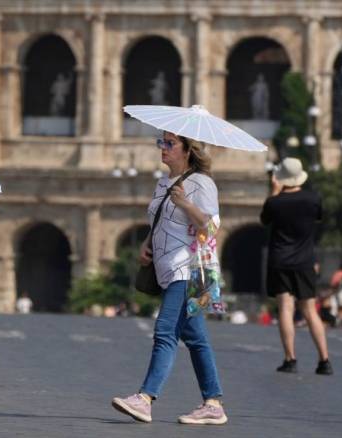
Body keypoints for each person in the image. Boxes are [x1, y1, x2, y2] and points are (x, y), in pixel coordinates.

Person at [112, 132, 227, 425]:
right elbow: (160, 220)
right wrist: (147, 243)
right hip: (167, 268)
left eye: (170, 143)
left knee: (165, 332)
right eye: (160, 143)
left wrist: (187, 204)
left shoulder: (202, 183)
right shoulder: (163, 183)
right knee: (195, 337)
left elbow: (211, 228)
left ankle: (145, 398)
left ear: (187, 150)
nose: (162, 148)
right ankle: (213, 403)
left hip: (191, 269)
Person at [260, 157, 333, 375]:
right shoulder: (313, 199)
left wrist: (275, 192)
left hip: (280, 260)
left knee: (285, 307)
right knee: (310, 311)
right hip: (305, 261)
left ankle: (290, 359)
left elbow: (265, 220)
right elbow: (318, 222)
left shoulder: (275, 202)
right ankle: (324, 361)